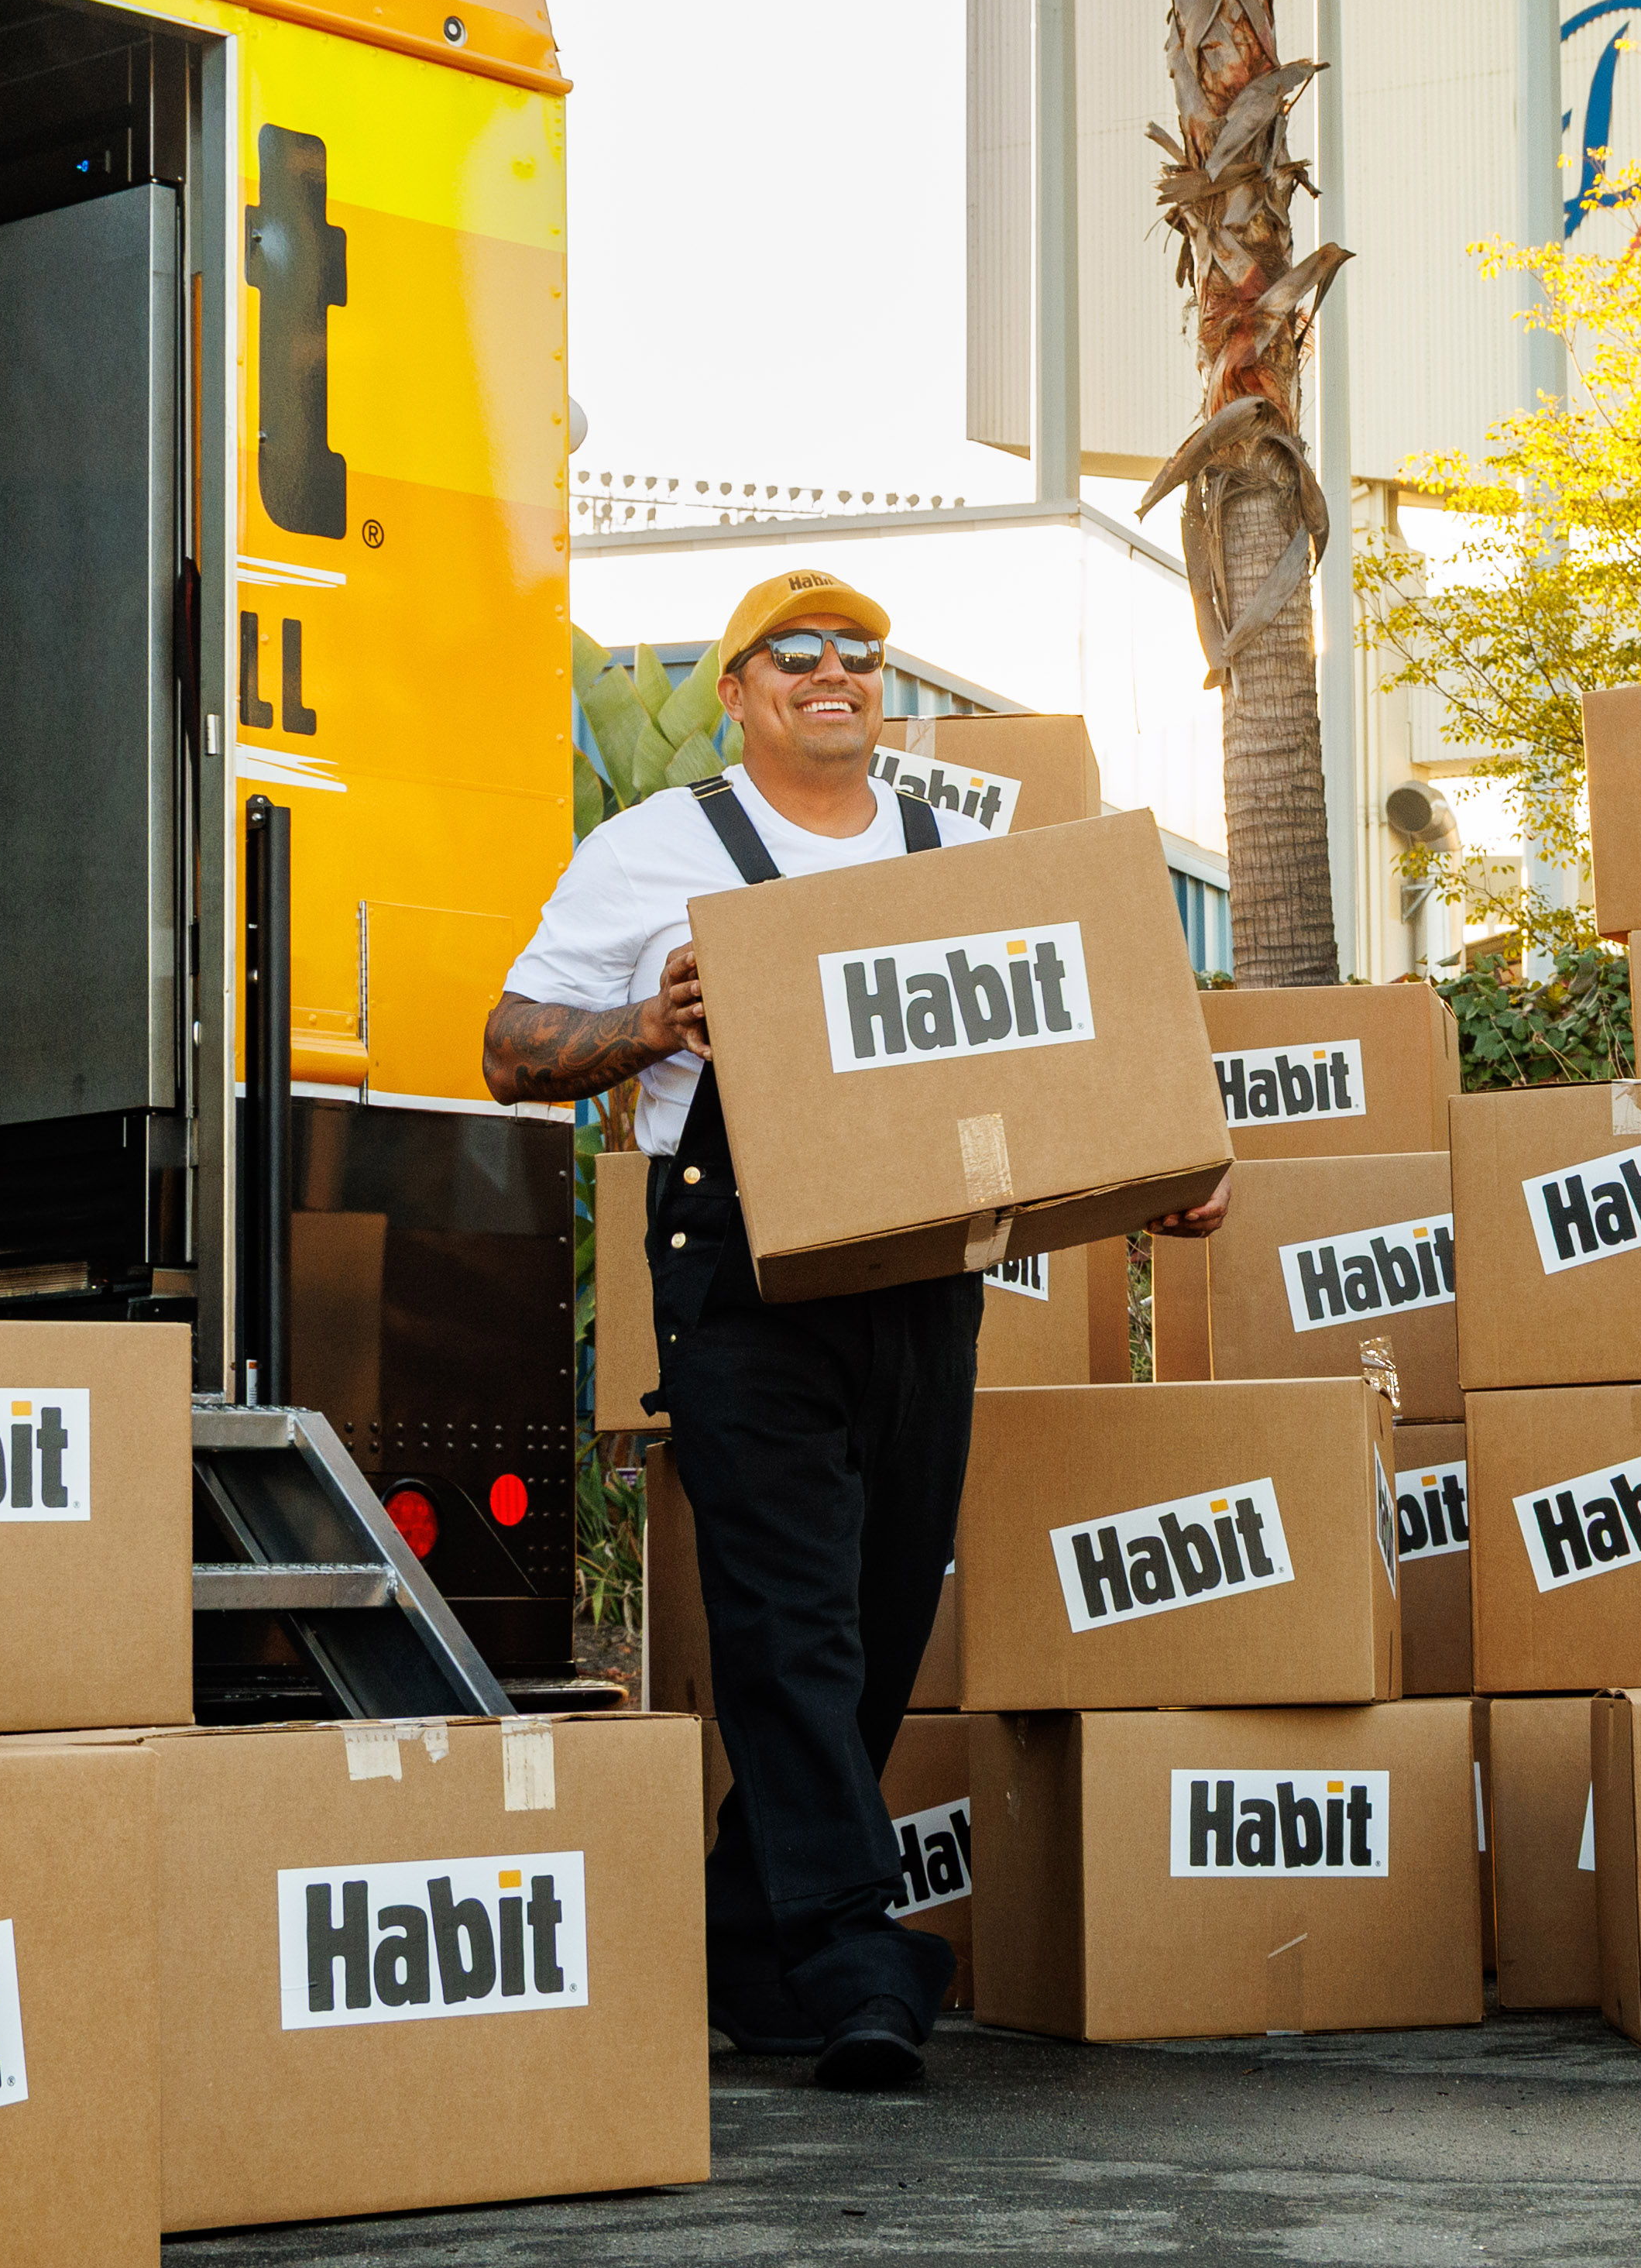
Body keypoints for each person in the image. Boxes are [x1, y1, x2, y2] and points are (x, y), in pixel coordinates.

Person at [486, 573, 1193, 2091]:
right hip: (740, 1276)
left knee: (871, 1618)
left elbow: (1050, 1057)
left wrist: (1156, 1181)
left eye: (859, 655)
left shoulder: (955, 855)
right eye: (793, 653)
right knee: (790, 1613)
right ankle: (863, 1950)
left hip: (922, 1276)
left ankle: (747, 1930)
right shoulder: (658, 848)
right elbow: (509, 1046)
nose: (833, 673)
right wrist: (648, 1026)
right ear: (736, 690)